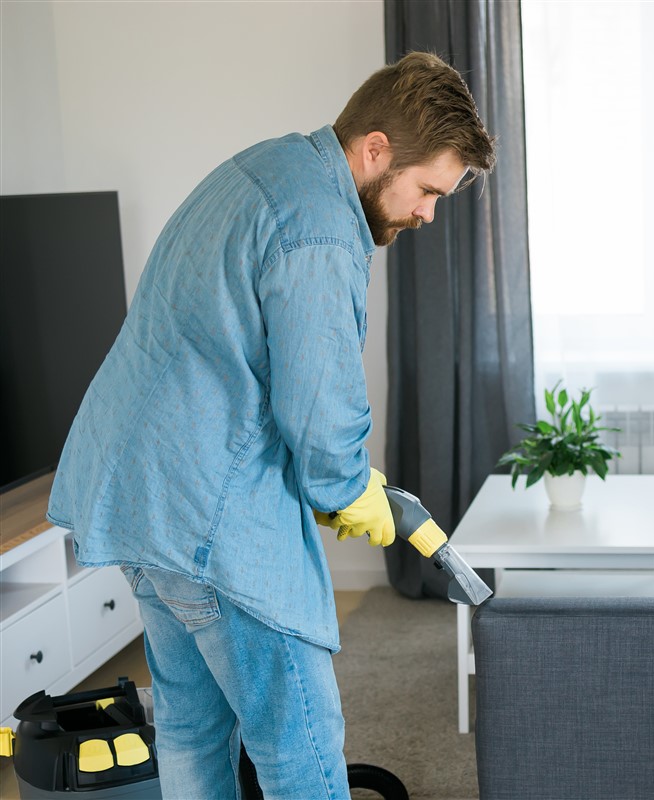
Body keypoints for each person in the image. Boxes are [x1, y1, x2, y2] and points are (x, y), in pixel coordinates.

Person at [48, 52, 495, 799]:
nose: (426, 213)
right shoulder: (321, 230)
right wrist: (350, 490)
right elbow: (320, 421)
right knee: (301, 748)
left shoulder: (264, 169)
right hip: (207, 519)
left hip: (138, 499)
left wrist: (351, 487)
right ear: (376, 149)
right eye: (426, 191)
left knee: (192, 729)